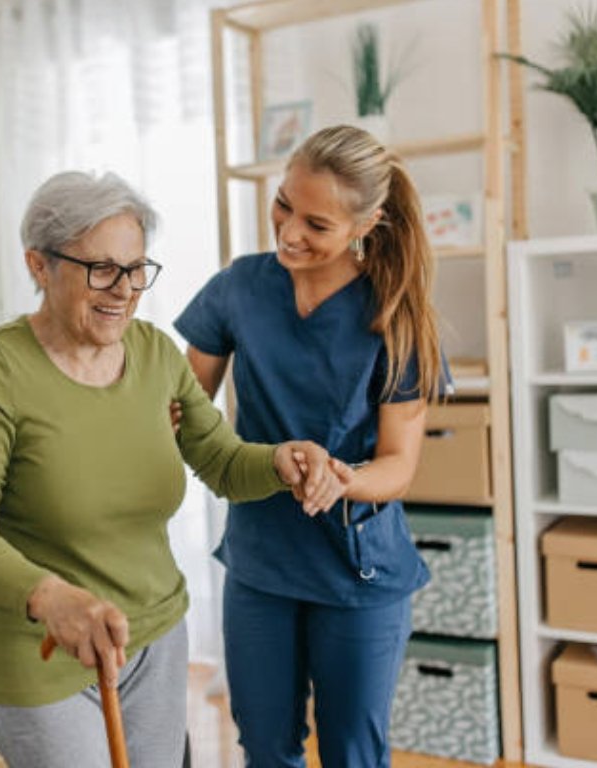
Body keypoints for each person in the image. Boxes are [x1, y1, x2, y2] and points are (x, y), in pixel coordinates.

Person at [0, 170, 341, 768]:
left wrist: (281, 460)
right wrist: (49, 598)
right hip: (42, 650)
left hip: (155, 637)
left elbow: (223, 462)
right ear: (39, 266)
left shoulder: (154, 354)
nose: (123, 289)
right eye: (100, 268)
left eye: (135, 269)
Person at [174, 125, 446, 768]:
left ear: (366, 223)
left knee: (353, 754)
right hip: (260, 562)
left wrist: (342, 479)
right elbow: (181, 410)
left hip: (358, 569)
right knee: (266, 748)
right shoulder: (238, 288)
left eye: (316, 223)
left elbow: (398, 464)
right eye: (283, 205)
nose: (290, 231)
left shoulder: (394, 314)